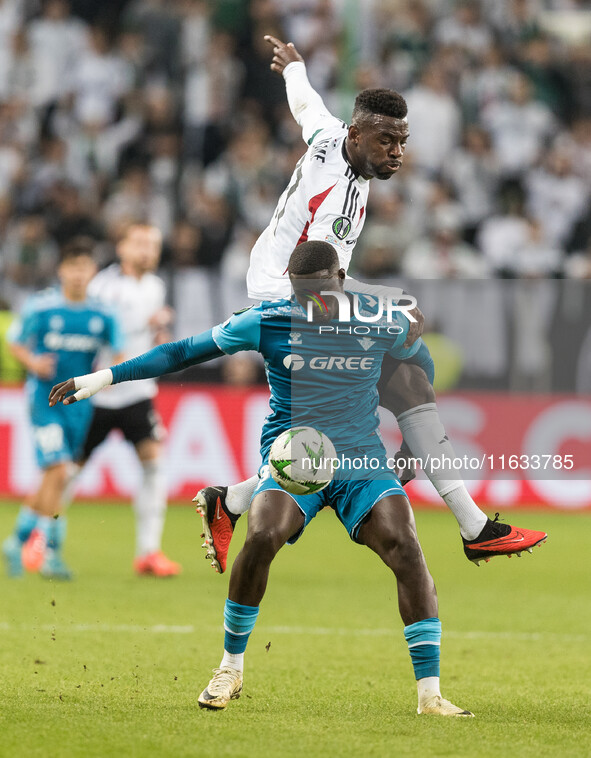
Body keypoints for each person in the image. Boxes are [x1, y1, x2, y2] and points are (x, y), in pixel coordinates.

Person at [49, 240, 489, 716]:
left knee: (406, 545)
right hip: (293, 456)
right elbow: (183, 352)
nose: (307, 304)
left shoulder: (381, 317)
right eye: (300, 294)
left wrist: (412, 442)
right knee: (261, 535)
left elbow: (419, 366)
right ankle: (230, 668)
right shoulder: (268, 319)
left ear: (341, 279)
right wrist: (104, 378)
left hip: (361, 460)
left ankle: (430, 696)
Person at [194, 35, 546, 574]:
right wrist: (390, 305)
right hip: (287, 295)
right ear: (359, 135)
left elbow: (307, 106)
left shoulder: (336, 137)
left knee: (390, 388)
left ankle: (235, 499)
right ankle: (467, 520)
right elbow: (323, 281)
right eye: (387, 142)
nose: (397, 153)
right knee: (404, 376)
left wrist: (294, 67)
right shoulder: (336, 199)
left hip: (287, 280)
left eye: (402, 142)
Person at [2, 238, 123, 579]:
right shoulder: (40, 307)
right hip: (45, 400)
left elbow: (117, 354)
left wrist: (110, 375)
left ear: (92, 272)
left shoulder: (103, 313)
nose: (77, 274)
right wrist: (33, 362)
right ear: (61, 270)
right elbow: (14, 341)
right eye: (72, 267)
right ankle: (50, 552)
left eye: (84, 267)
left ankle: (17, 540)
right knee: (57, 471)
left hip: (78, 405)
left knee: (58, 476)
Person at [78, 222, 181, 577]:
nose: (147, 251)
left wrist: (158, 329)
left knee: (154, 463)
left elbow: (146, 334)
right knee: (70, 469)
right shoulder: (101, 287)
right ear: (121, 247)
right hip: (100, 394)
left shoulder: (155, 285)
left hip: (138, 393)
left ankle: (149, 552)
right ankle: (39, 538)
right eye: (139, 243)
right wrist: (145, 324)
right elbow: (96, 334)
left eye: (152, 244)